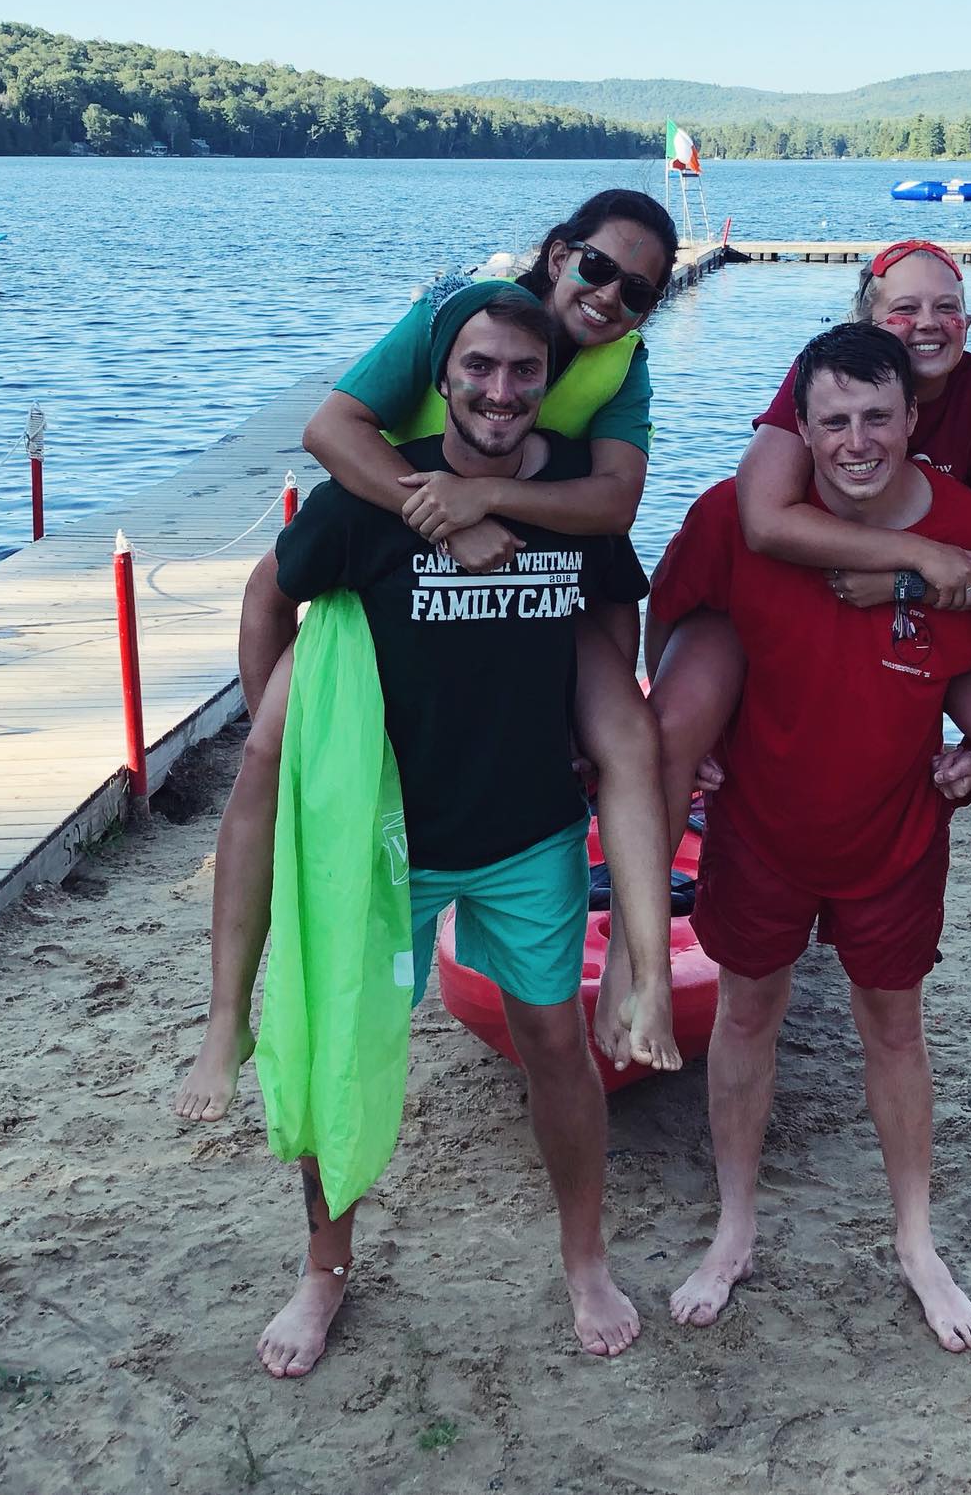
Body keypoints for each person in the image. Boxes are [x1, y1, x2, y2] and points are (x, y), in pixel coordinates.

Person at [244, 283, 678, 1377]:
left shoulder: (569, 496)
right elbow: (267, 596)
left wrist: (592, 715)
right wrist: (279, 741)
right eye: (477, 367)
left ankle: (585, 1259)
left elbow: (612, 597)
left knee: (555, 1046)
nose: (499, 389)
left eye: (524, 371)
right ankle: (325, 1268)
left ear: (548, 381)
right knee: (346, 1053)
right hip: (387, 841)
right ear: (438, 378)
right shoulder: (371, 497)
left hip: (530, 832)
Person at [173, 190, 678, 1122]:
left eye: (638, 291)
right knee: (265, 757)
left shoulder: (621, 369)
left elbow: (614, 511)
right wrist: (441, 515)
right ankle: (225, 1017)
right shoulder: (454, 312)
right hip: (385, 534)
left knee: (630, 739)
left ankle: (640, 975)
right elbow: (328, 434)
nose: (610, 296)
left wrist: (487, 502)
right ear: (559, 254)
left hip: (529, 569)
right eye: (598, 267)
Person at [644, 323, 971, 1352]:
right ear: (799, 429)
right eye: (833, 423)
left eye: (876, 418)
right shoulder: (731, 515)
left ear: (912, 417)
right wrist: (688, 736)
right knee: (747, 1011)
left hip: (893, 832)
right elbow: (667, 618)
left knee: (894, 1029)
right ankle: (734, 1226)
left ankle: (916, 1240)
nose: (857, 442)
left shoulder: (963, 527)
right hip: (760, 821)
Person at [614, 238, 971, 1060]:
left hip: (928, 615)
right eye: (904, 309)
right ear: (866, 319)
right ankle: (631, 961)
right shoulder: (823, 376)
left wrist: (908, 585)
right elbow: (759, 521)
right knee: (677, 716)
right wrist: (913, 556)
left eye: (947, 308)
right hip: (817, 595)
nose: (927, 324)